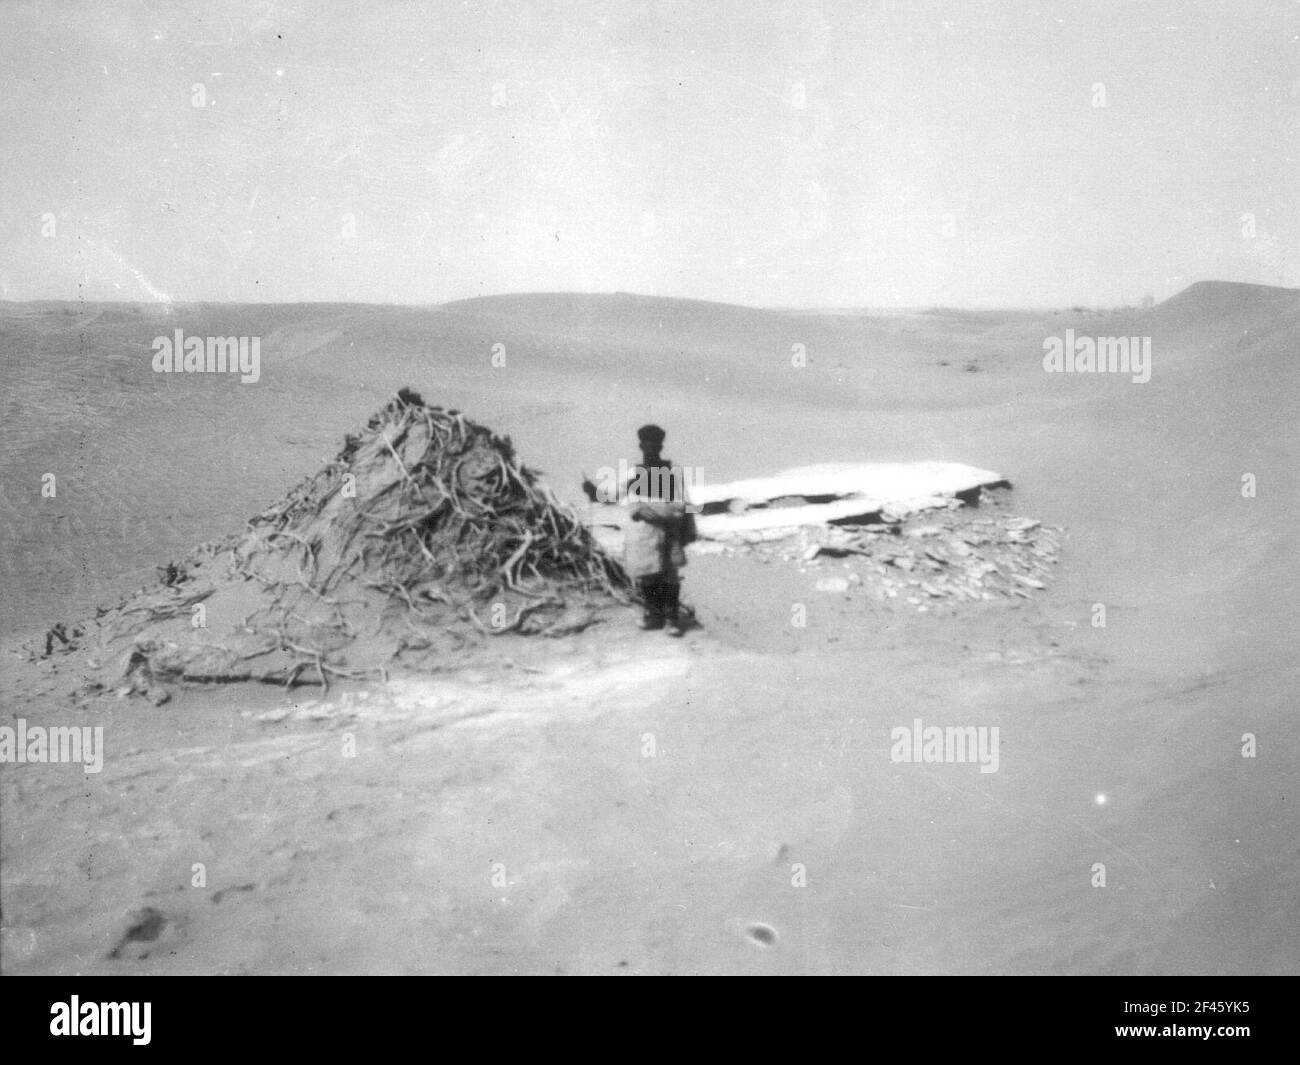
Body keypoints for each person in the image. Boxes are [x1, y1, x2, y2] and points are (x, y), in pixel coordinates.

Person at [583, 424, 693, 635]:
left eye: (655, 445)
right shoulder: (633, 473)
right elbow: (612, 496)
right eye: (647, 445)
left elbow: (682, 504)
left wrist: (655, 511)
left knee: (669, 575)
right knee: (647, 575)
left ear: (661, 446)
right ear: (641, 446)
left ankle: (672, 620)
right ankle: (654, 616)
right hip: (642, 535)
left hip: (667, 532)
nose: (651, 449)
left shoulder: (673, 473)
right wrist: (592, 491)